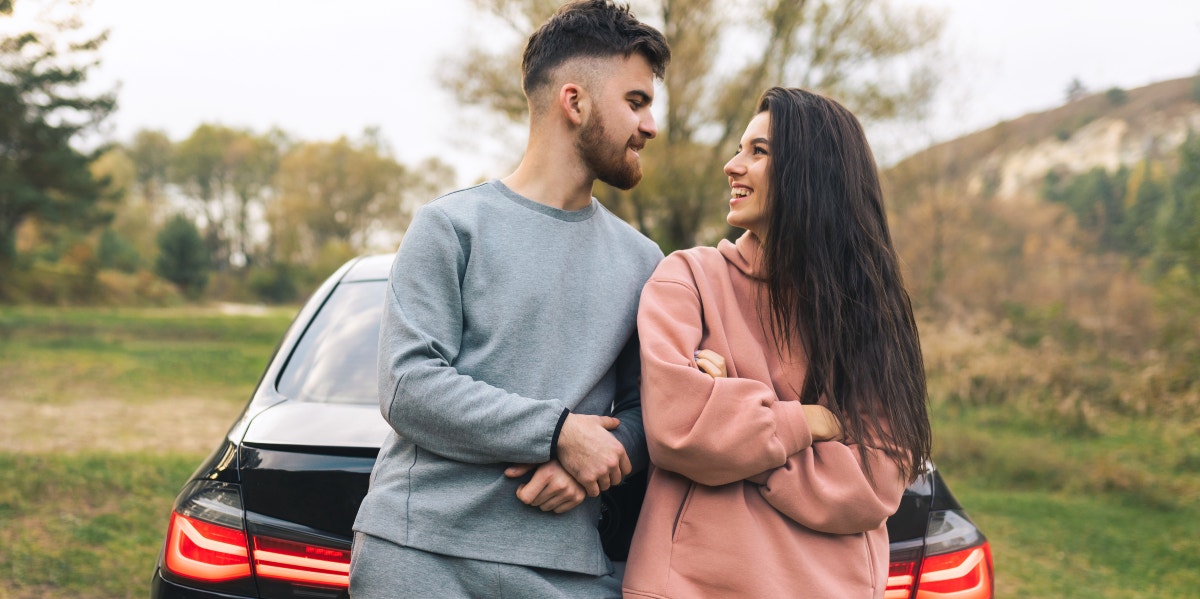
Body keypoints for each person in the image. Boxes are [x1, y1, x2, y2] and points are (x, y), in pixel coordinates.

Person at [349, 2, 669, 598]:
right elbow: (408, 386)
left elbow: (647, 409)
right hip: (422, 554)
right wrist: (558, 433)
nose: (650, 126)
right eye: (635, 102)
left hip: (567, 567)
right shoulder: (449, 226)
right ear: (573, 103)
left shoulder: (642, 260)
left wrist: (598, 457)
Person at [622, 87, 933, 599]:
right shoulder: (688, 279)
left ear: (811, 175)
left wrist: (735, 414)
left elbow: (873, 483)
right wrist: (808, 420)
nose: (732, 165)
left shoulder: (867, 313)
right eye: (740, 148)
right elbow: (679, 429)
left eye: (758, 151)